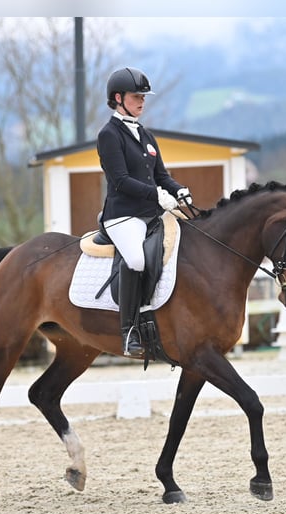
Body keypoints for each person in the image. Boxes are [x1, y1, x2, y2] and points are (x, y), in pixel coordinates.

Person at [97, 66, 193, 357]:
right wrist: (156, 195)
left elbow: (161, 175)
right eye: (136, 96)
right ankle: (129, 331)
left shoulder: (146, 135)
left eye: (143, 97)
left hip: (152, 213)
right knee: (137, 259)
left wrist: (178, 190)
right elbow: (121, 181)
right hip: (123, 215)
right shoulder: (109, 135)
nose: (142, 101)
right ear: (118, 98)